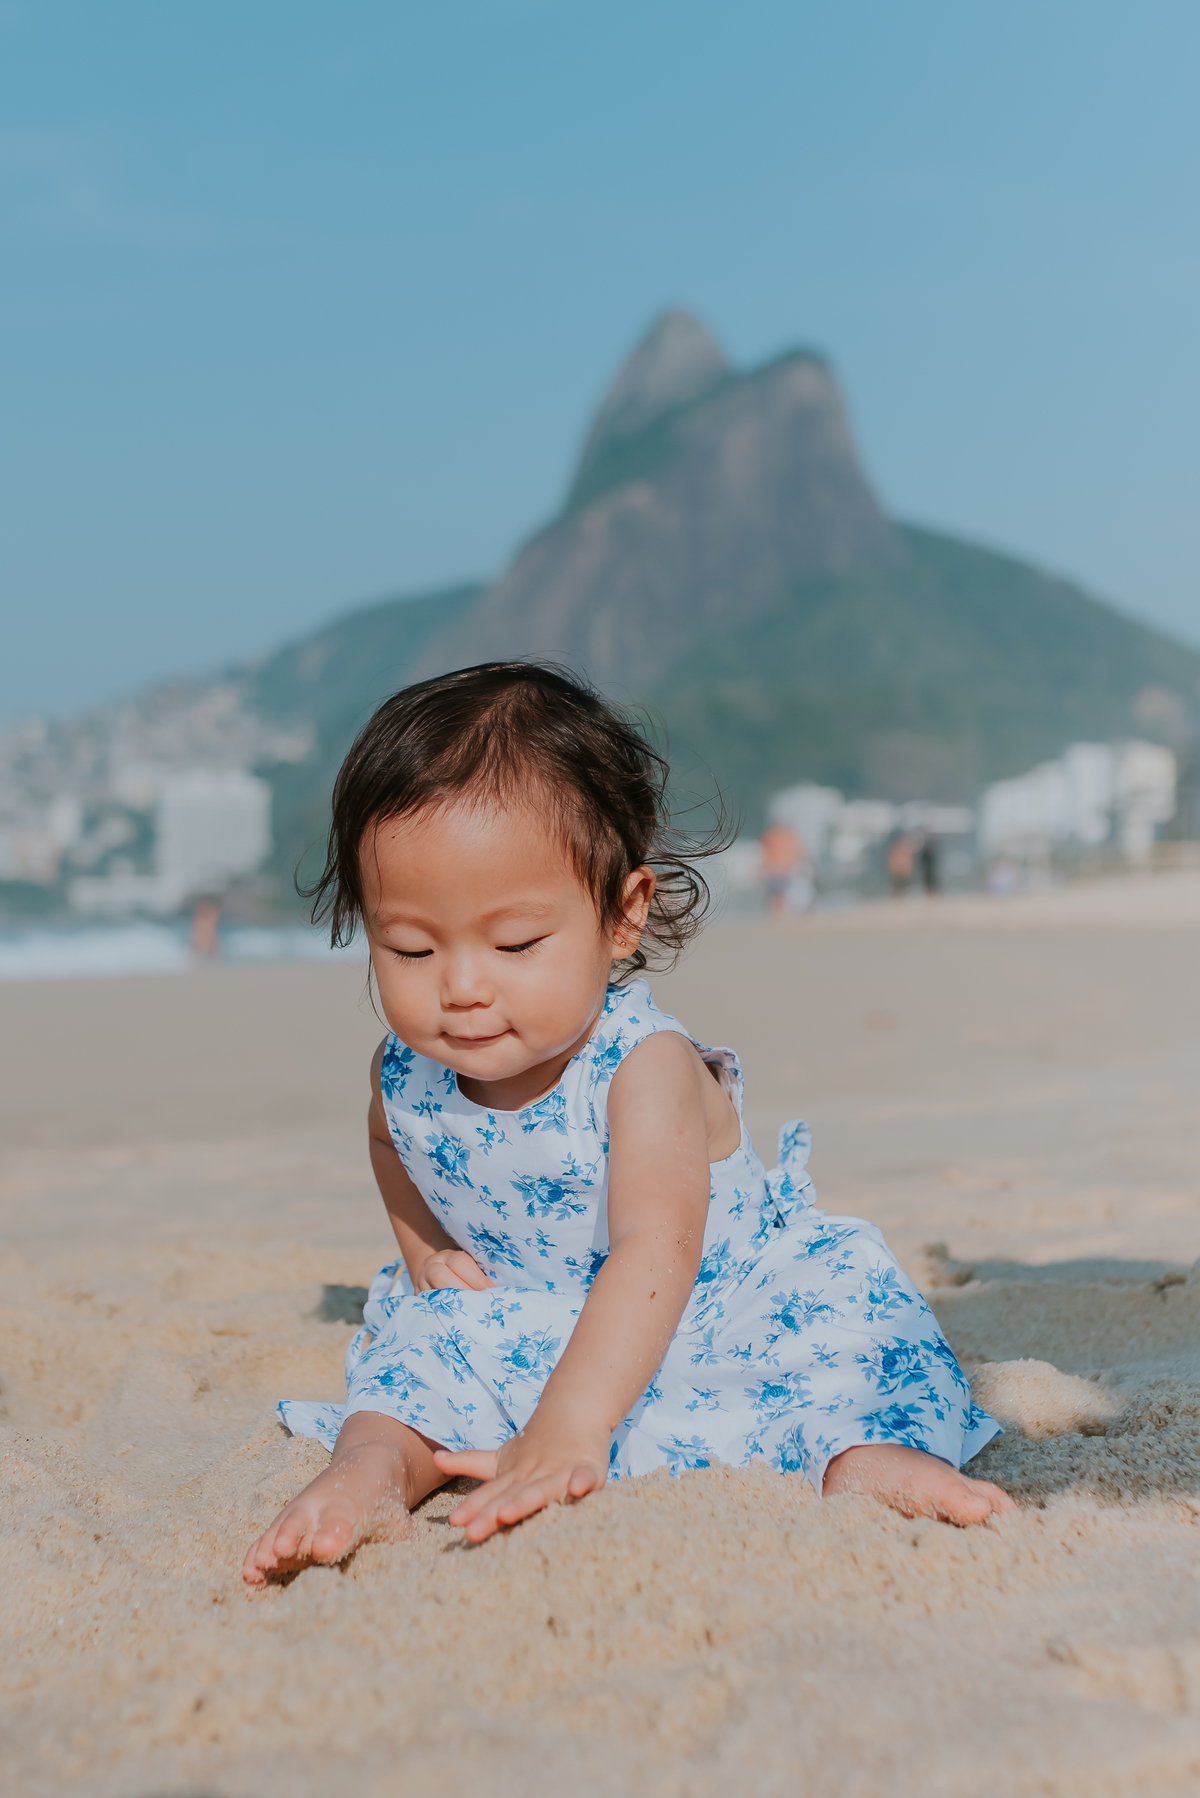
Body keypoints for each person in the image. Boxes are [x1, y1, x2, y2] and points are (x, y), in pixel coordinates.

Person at [243, 664, 1010, 1586]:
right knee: (415, 1356)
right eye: (410, 947)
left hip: (712, 1301)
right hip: (537, 1311)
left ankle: (862, 1463)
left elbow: (658, 1246)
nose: (462, 986)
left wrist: (569, 1424)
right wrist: (421, 1245)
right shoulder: (406, 1070)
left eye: (516, 943)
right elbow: (387, 1139)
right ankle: (370, 1471)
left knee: (843, 1357)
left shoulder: (640, 1067)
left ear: (622, 915)